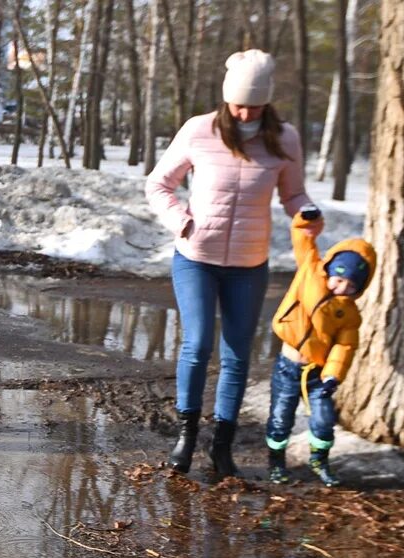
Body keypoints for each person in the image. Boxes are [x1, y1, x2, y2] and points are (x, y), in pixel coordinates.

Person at [145, 49, 319, 478]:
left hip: (249, 263)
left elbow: (293, 195)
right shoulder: (199, 130)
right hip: (196, 257)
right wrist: (179, 221)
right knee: (198, 343)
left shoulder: (285, 138)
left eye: (254, 105)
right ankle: (186, 434)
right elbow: (159, 183)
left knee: (238, 355)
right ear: (226, 98)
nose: (245, 113)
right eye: (238, 104)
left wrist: (308, 212)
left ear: (267, 102)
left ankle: (222, 446)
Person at [265, 212, 376, 487]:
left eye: (351, 286)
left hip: (317, 374)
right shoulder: (309, 272)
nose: (342, 288)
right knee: (281, 417)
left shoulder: (349, 314)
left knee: (324, 421)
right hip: (287, 365)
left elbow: (345, 345)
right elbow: (302, 238)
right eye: (339, 280)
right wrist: (305, 219)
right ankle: (276, 462)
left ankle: (319, 459)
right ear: (330, 270)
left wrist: (333, 376)